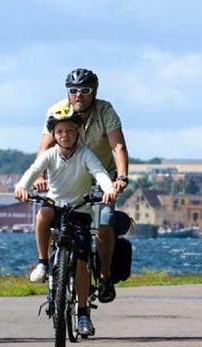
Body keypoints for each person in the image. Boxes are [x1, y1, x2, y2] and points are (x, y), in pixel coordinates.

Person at [15, 106, 117, 336]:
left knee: (81, 260)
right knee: (43, 214)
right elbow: (33, 170)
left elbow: (100, 172)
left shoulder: (85, 154)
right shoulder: (50, 154)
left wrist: (108, 189)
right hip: (56, 206)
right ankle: (42, 262)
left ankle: (82, 313)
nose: (65, 135)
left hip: (79, 209)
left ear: (78, 132)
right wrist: (21, 187)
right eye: (60, 131)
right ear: (54, 134)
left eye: (70, 131)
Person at [31, 68, 130, 304]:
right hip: (66, 176)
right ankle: (47, 263)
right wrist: (39, 177)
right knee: (54, 219)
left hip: (100, 177)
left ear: (94, 92)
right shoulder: (57, 111)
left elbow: (118, 147)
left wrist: (122, 177)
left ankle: (105, 276)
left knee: (104, 224)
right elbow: (44, 147)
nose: (78, 95)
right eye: (73, 90)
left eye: (85, 91)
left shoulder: (105, 111)